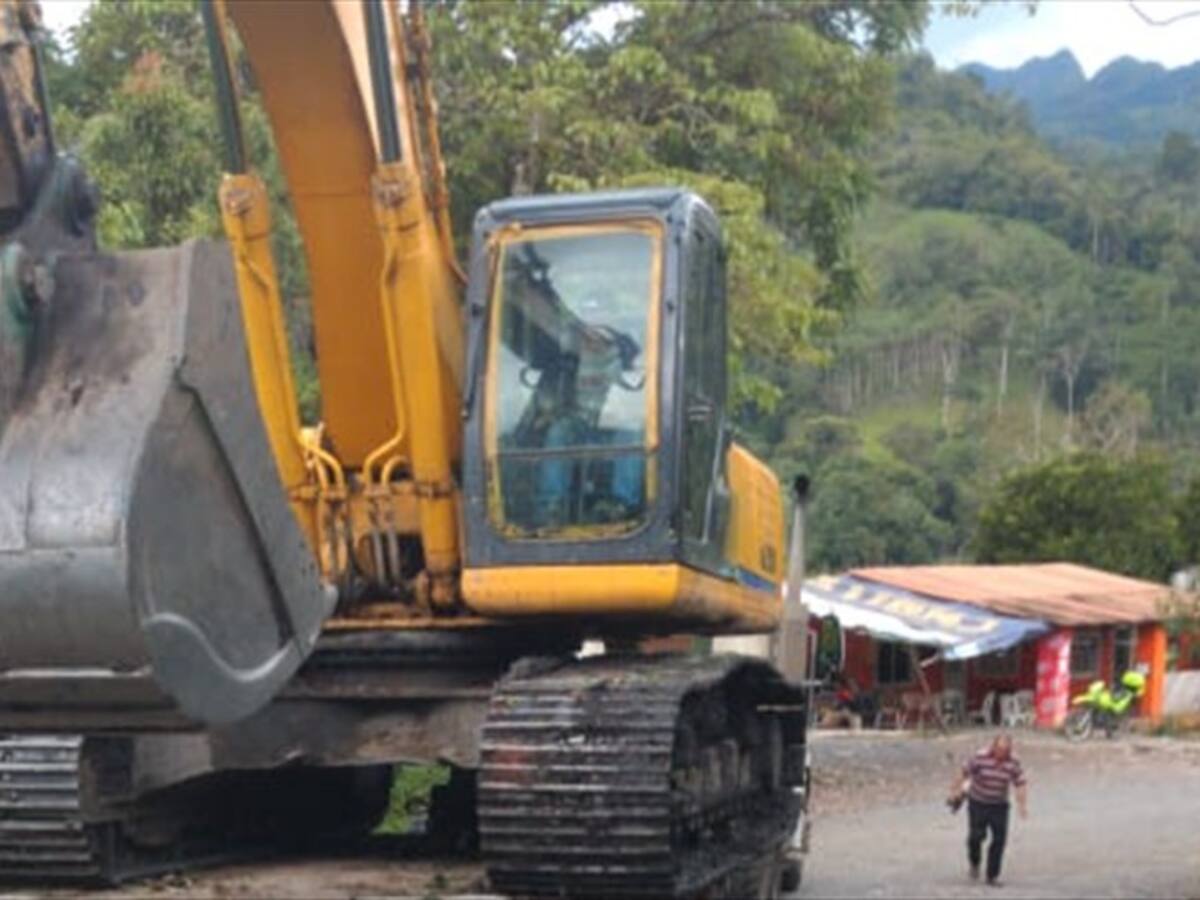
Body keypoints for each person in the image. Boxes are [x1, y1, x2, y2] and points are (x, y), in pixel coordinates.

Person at [948, 733, 1028, 886]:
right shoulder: (980, 757)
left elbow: (1020, 783)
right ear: (993, 747)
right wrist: (955, 791)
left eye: (1005, 751)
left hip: (999, 805)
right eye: (999, 750)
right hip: (978, 802)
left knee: (999, 840)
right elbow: (963, 773)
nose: (1001, 754)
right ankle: (975, 862)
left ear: (1009, 750)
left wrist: (1022, 805)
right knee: (975, 837)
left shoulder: (1013, 762)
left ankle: (992, 875)